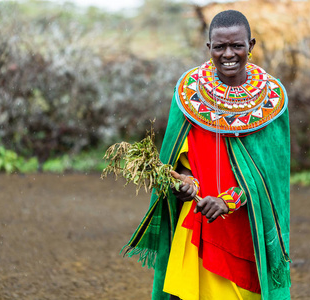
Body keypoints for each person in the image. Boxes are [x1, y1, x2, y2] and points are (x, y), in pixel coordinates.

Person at [122, 10, 291, 300]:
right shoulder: (189, 95)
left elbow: (270, 181)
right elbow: (178, 162)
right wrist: (185, 184)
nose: (228, 54)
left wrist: (228, 201)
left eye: (237, 45)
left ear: (251, 45)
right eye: (219, 46)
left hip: (244, 229)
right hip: (197, 222)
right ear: (208, 47)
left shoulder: (272, 101)